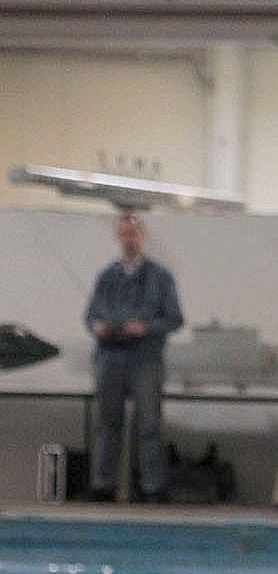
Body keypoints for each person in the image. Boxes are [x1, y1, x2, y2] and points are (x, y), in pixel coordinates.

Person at [81, 212, 184, 503]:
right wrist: (98, 326)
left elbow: (175, 319)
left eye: (133, 234)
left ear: (143, 237)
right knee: (107, 423)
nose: (128, 239)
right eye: (123, 234)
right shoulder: (106, 276)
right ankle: (103, 485)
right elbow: (90, 315)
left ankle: (152, 487)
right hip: (110, 358)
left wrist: (147, 327)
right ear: (118, 237)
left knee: (149, 424)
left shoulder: (161, 277)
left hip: (145, 358)